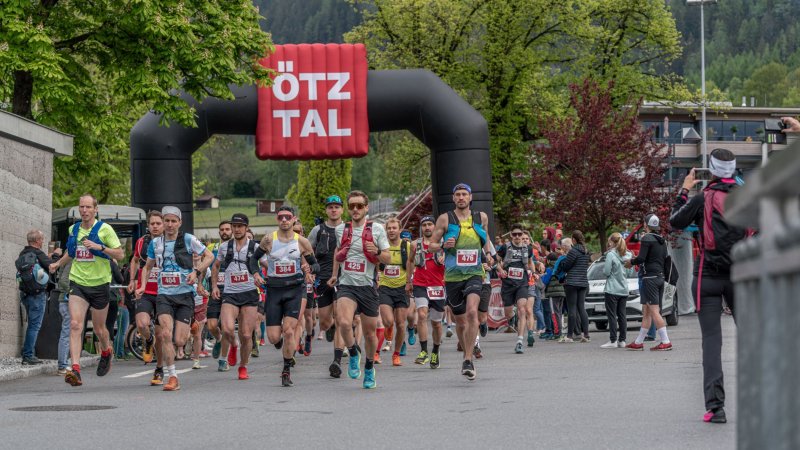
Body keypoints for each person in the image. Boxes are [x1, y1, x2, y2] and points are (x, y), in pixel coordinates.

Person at [670, 148, 750, 424]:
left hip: (708, 277)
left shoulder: (702, 197)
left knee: (712, 342)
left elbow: (674, 222)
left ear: (712, 171)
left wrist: (684, 190)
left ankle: (716, 408)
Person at [49, 194, 124, 387]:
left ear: (95, 209)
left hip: (99, 284)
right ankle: (74, 369)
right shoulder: (73, 229)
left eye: (88, 207)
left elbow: (120, 253)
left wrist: (100, 247)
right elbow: (71, 252)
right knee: (75, 324)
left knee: (100, 329)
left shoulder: (105, 229)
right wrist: (58, 263)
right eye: (81, 207)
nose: (84, 211)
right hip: (78, 282)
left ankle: (106, 352)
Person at [138, 206, 215, 391]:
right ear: (163, 223)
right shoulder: (155, 244)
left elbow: (209, 256)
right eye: (167, 221)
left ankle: (189, 328)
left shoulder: (188, 239)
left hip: (184, 296)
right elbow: (147, 267)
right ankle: (172, 376)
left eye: (174, 221)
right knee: (164, 334)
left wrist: (196, 272)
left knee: (180, 341)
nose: (170, 224)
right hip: (164, 295)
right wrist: (142, 285)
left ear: (180, 223)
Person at [428, 183, 492, 380]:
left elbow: (486, 237)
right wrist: (442, 245)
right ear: (454, 198)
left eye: (465, 194)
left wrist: (488, 254)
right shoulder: (445, 219)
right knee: (460, 321)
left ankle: (467, 359)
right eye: (458, 194)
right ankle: (467, 351)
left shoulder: (480, 217)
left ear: (470, 197)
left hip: (474, 273)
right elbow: (430, 245)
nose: (461, 197)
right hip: (453, 276)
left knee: (472, 312)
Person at [328, 191, 391, 389]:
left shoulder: (377, 229)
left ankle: (370, 367)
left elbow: (388, 258)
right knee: (344, 322)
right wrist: (334, 273)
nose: (355, 209)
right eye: (352, 206)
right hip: (347, 284)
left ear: (366, 208)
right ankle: (354, 351)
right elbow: (338, 253)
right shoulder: (341, 229)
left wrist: (378, 252)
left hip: (367, 286)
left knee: (371, 334)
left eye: (359, 206)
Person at [256, 207, 318, 387]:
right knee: (274, 337)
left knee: (289, 330)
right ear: (277, 219)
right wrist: (256, 274)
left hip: (294, 290)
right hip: (274, 290)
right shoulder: (269, 239)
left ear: (293, 219)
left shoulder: (302, 242)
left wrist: (310, 269)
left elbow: (316, 266)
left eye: (287, 217)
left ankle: (286, 370)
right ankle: (283, 345)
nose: (284, 220)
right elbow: (253, 259)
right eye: (281, 217)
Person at [210, 214, 264, 381]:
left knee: (246, 335)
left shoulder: (255, 247)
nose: (237, 229)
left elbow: (268, 264)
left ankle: (243, 366)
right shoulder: (225, 247)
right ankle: (233, 346)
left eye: (240, 226)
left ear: (246, 228)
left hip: (249, 293)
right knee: (226, 329)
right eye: (235, 226)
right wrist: (213, 287)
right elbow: (216, 266)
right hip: (230, 293)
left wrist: (263, 277)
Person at [307, 195, 346, 378]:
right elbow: (306, 250)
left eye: (337, 207)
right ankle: (329, 328)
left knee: (340, 318)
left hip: (343, 278)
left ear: (342, 210)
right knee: (324, 322)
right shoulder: (318, 230)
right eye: (330, 207)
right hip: (322, 279)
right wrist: (308, 268)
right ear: (326, 210)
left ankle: (337, 360)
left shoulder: (348, 229)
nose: (333, 210)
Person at [128, 210, 166, 384]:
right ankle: (147, 340)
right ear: (148, 226)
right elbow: (135, 260)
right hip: (145, 291)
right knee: (142, 324)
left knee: (161, 335)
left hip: (164, 293)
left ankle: (159, 369)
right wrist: (132, 280)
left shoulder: (171, 243)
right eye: (152, 224)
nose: (155, 226)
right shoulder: (142, 242)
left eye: (158, 223)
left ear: (164, 225)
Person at [625, 214, 672, 352]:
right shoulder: (662, 240)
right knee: (646, 311)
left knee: (654, 311)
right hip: (659, 276)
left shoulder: (647, 238)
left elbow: (641, 258)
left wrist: (630, 262)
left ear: (646, 224)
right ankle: (639, 341)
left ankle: (666, 341)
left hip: (649, 278)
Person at [409, 216, 446, 368]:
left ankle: (435, 351)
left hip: (438, 286)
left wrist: (446, 257)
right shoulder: (414, 244)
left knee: (436, 323)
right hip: (420, 284)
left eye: (430, 224)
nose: (427, 227)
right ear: (421, 228)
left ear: (435, 226)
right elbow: (410, 261)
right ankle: (424, 351)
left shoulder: (443, 244)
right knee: (422, 315)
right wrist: (407, 281)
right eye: (424, 225)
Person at [16, 229, 57, 365]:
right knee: (34, 325)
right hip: (37, 294)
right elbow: (52, 267)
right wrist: (55, 256)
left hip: (25, 294)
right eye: (42, 239)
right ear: (38, 241)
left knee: (31, 324)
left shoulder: (23, 253)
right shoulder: (38, 253)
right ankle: (28, 355)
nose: (43, 241)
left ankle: (28, 351)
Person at [377, 218, 414, 366]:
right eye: (389, 228)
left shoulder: (407, 246)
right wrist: (377, 277)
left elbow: (411, 264)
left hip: (402, 288)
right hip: (385, 286)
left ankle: (396, 353)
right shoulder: (382, 246)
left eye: (394, 228)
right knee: (388, 321)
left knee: (401, 324)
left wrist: (409, 282)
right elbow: (375, 262)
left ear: (399, 230)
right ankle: (388, 332)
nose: (391, 230)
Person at [497, 224, 535, 354]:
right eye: (515, 234)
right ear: (511, 235)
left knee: (522, 309)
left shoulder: (527, 248)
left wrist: (532, 271)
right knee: (508, 313)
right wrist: (501, 270)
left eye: (520, 234)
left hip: (522, 283)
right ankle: (511, 318)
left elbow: (530, 262)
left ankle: (519, 341)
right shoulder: (505, 247)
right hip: (507, 284)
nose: (517, 237)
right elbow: (495, 261)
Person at [601, 233, 632, 349]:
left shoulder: (610, 255)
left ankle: (613, 340)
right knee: (622, 315)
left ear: (612, 242)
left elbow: (606, 272)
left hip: (612, 289)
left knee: (612, 315)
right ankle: (622, 340)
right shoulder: (628, 255)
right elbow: (629, 273)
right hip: (623, 289)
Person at [559, 231, 591, 343]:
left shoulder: (573, 251)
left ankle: (569, 336)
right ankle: (586, 334)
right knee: (581, 308)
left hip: (572, 282)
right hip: (583, 282)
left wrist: (563, 262)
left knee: (572, 308)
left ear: (573, 239)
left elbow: (566, 266)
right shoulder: (586, 251)